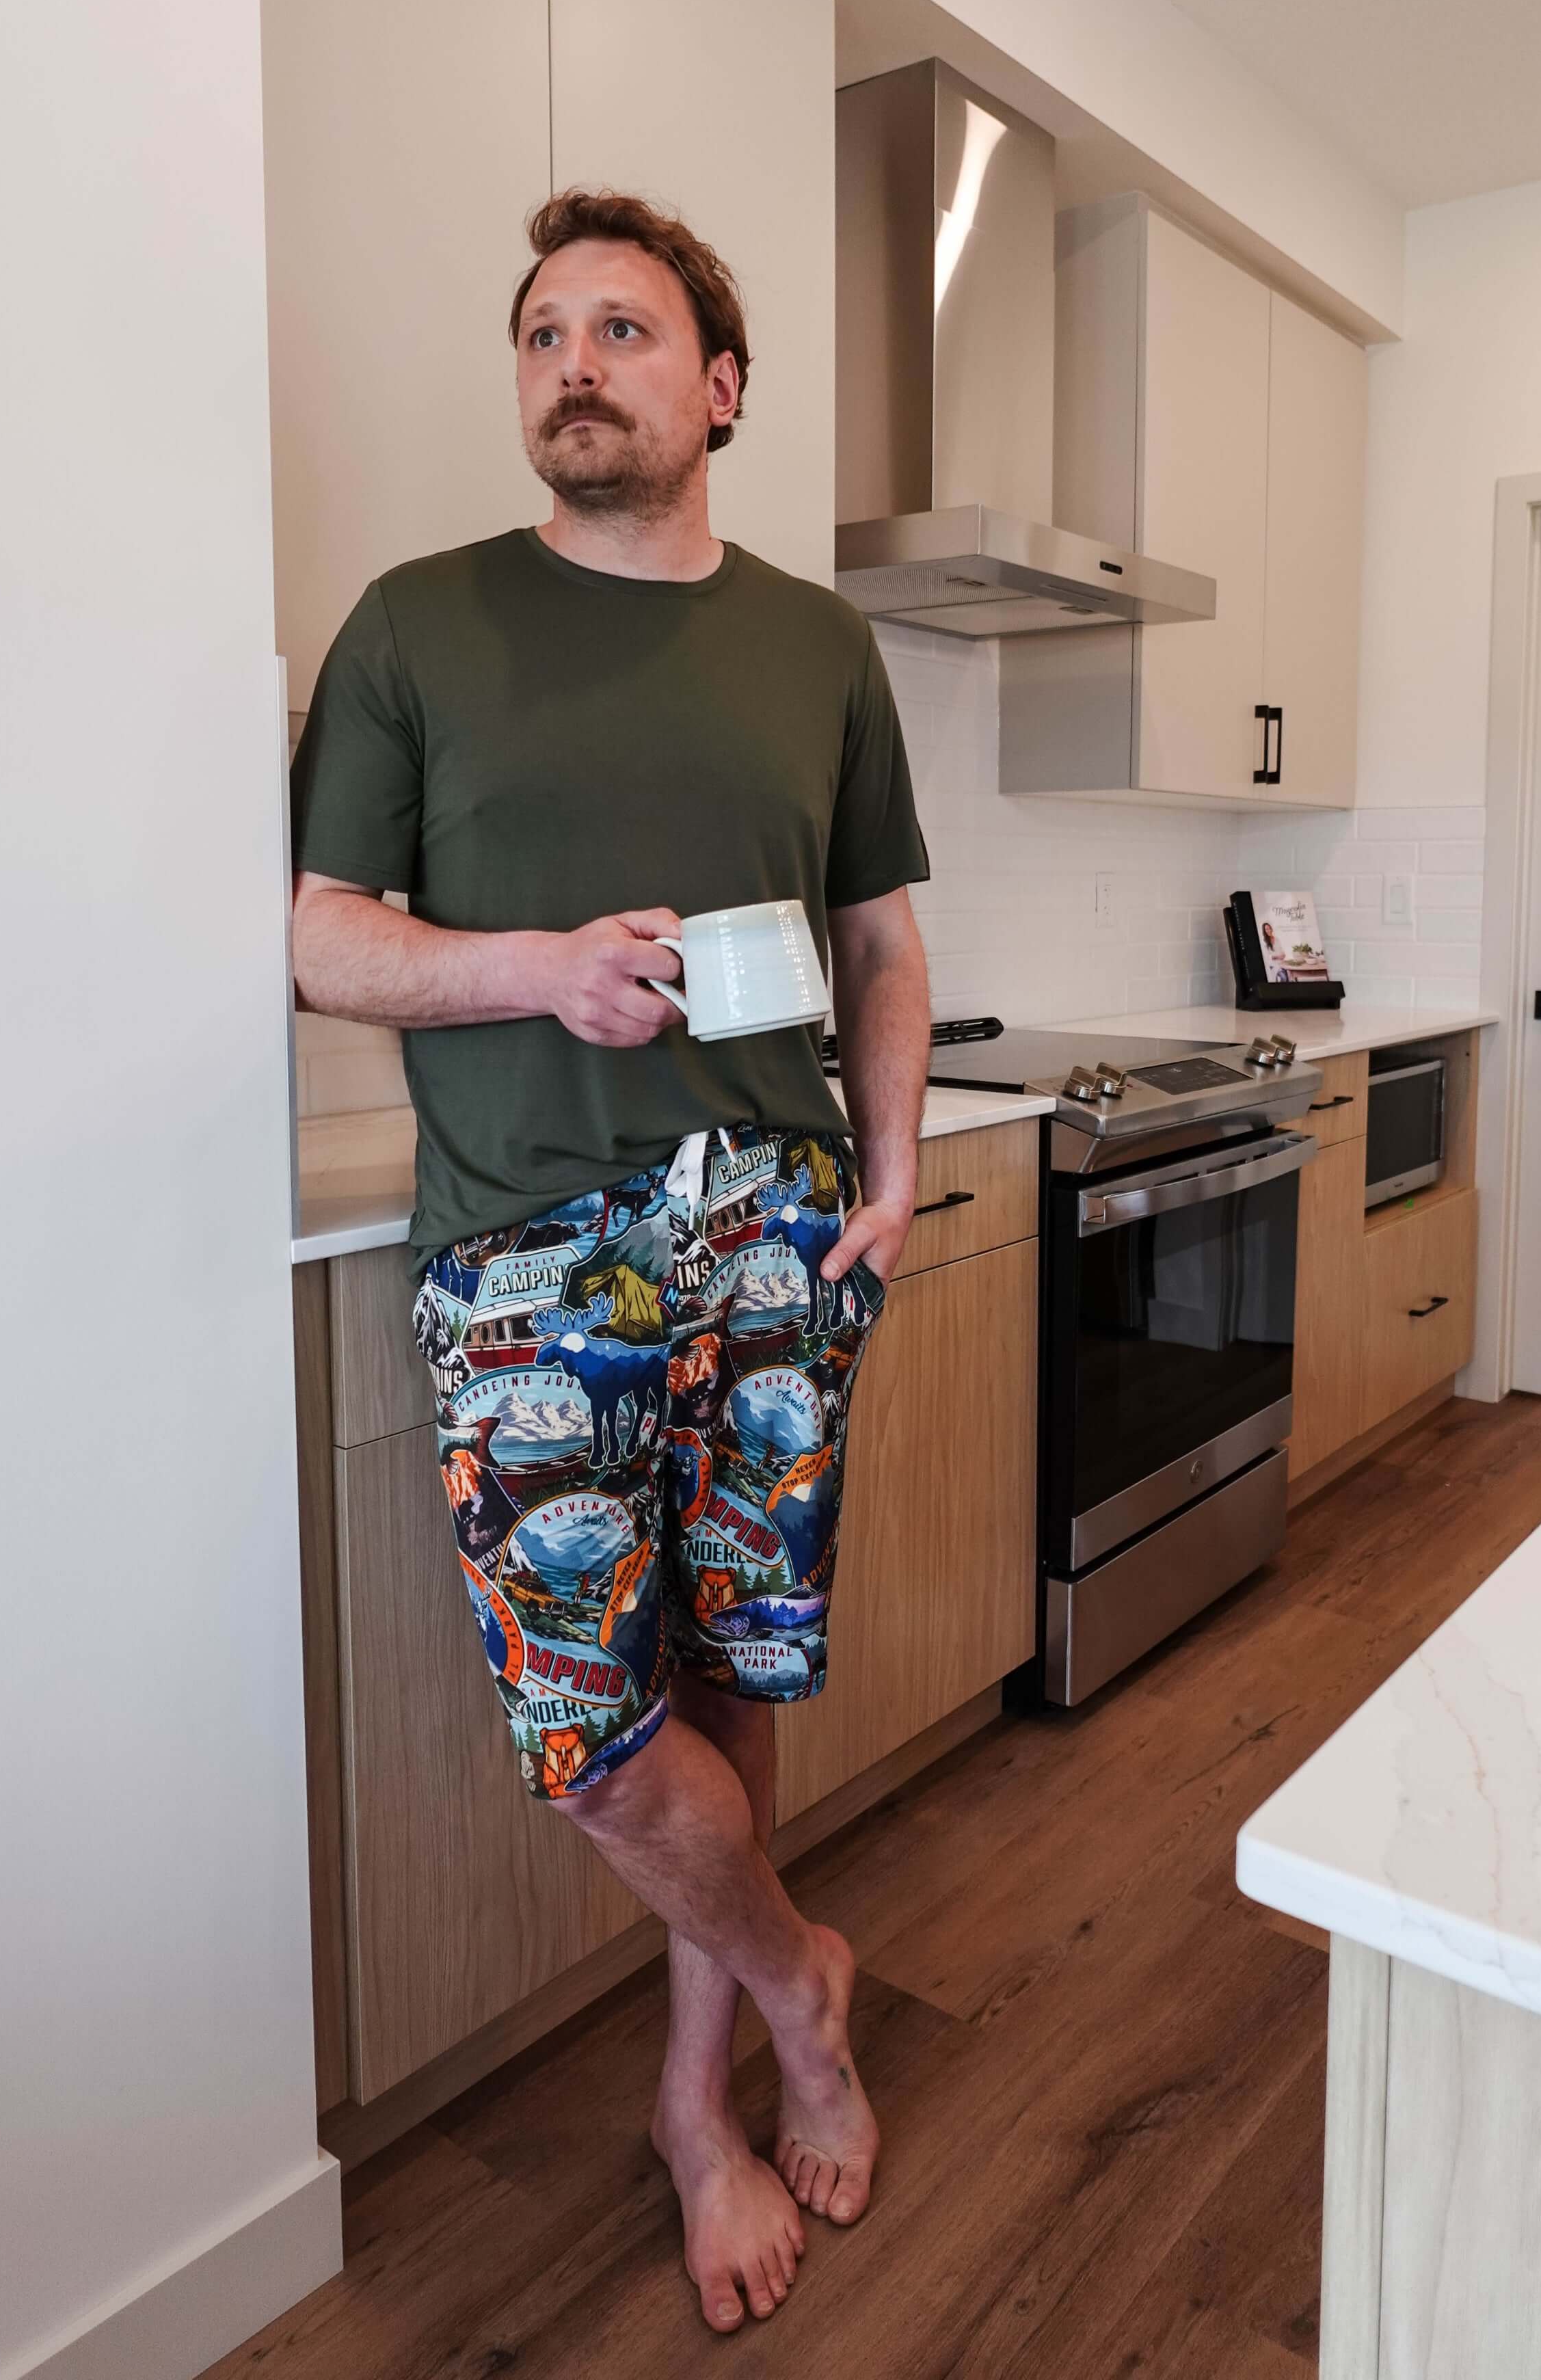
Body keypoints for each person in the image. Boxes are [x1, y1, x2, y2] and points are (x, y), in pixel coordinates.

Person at [289, 188, 931, 2334]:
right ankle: (801, 1978)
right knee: (590, 1728)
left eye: (626, 330)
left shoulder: (819, 648)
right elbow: (318, 936)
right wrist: (535, 971)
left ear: (720, 388)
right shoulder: (417, 626)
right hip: (526, 1257)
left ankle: (697, 2103)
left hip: (777, 1228)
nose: (576, 362)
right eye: (546, 332)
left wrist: (895, 1166)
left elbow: (881, 941)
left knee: (732, 1683)